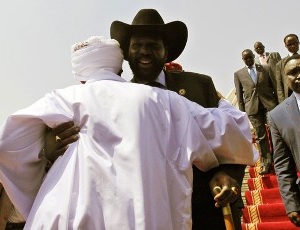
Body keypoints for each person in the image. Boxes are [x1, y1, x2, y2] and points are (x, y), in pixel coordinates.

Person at [0, 36, 257, 230]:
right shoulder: (162, 100)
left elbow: (1, 149)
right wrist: (222, 103)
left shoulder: (61, 100)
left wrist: (37, 184)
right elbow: (233, 131)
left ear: (80, 75)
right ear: (120, 66)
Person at [48, 9, 255, 230]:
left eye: (153, 46)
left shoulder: (199, 86)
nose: (144, 52)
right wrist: (51, 148)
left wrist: (225, 174)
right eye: (137, 46)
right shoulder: (113, 99)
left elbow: (232, 136)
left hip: (204, 209)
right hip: (142, 216)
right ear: (127, 53)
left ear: (166, 53)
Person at [234, 49, 278, 175]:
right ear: (243, 60)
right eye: (245, 59)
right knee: (261, 136)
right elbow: (239, 97)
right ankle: (266, 163)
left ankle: (277, 160)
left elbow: (274, 86)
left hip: (269, 105)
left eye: (250, 58)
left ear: (254, 56)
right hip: (252, 108)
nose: (248, 60)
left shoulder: (265, 68)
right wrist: (242, 113)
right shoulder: (239, 74)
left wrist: (278, 104)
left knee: (274, 132)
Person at [268, 54, 300, 227]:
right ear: (285, 78)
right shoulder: (277, 115)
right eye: (293, 73)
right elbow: (282, 164)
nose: (299, 75)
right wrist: (291, 204)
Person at [276, 34, 299, 103]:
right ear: (285, 46)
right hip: (290, 98)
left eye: (295, 43)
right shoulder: (280, 64)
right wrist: (283, 103)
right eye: (289, 44)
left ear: (298, 42)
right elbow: (279, 87)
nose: (293, 46)